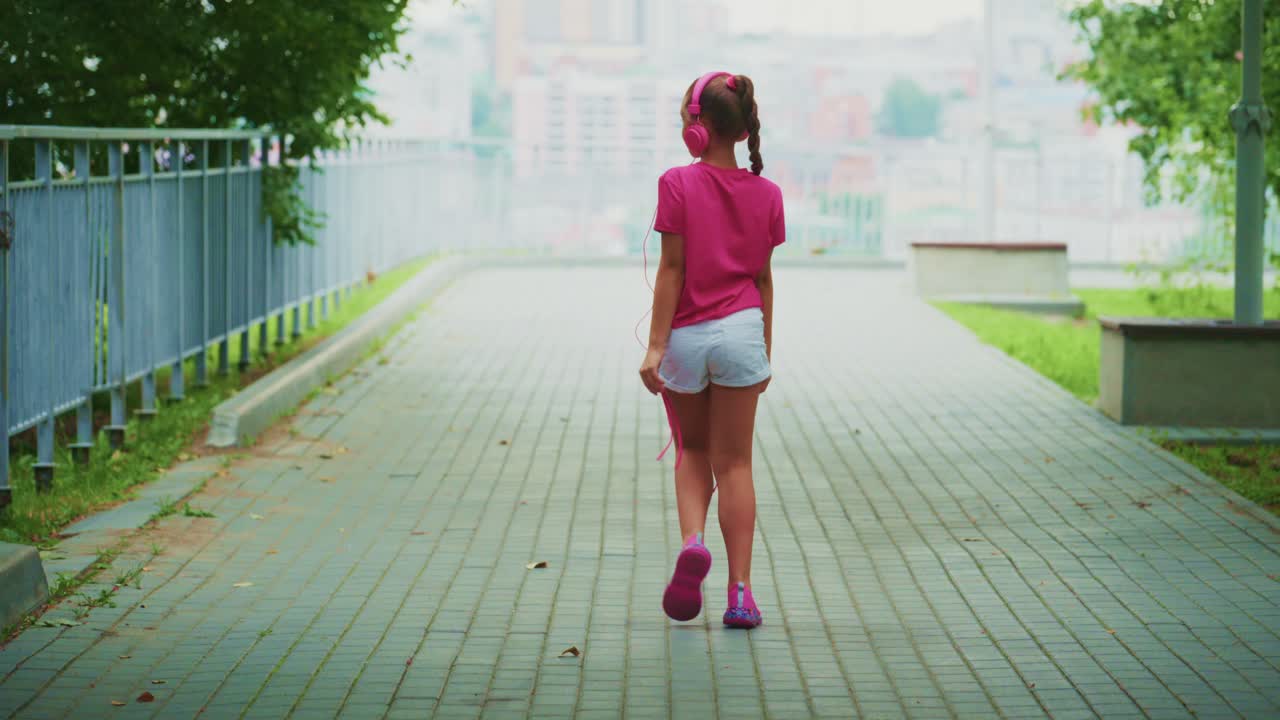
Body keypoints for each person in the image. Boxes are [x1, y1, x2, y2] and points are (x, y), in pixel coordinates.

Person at [637, 71, 785, 629]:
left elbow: (671, 270)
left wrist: (655, 347)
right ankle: (741, 594)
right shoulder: (767, 194)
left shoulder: (676, 183)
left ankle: (693, 541)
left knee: (693, 452)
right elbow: (765, 280)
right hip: (744, 332)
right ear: (744, 130)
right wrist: (764, 351)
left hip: (688, 337)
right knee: (737, 461)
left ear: (697, 130)